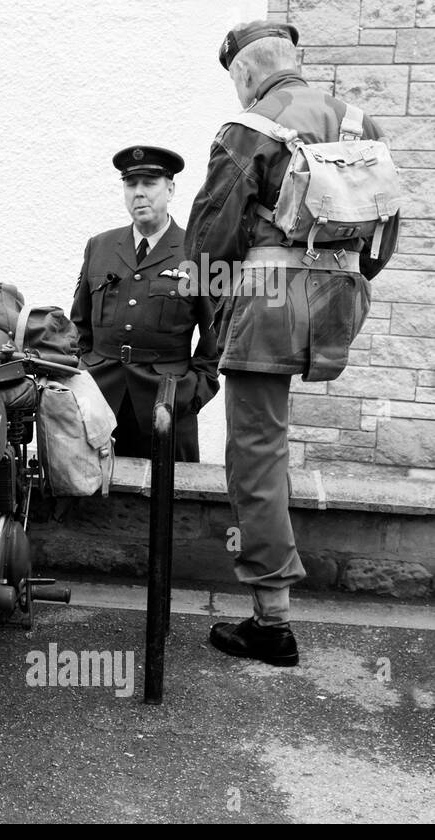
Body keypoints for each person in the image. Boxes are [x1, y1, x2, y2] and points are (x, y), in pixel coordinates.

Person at [186, 20, 400, 666]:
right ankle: (274, 591)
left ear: (245, 73)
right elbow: (386, 232)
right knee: (273, 449)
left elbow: (207, 242)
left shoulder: (246, 131)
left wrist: (209, 316)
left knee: (256, 454)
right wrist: (346, 285)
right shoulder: (359, 123)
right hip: (335, 306)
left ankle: (272, 620)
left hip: (267, 309)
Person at [70, 146, 219, 461]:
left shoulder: (198, 253)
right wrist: (82, 383)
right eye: (130, 183)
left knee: (169, 503)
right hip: (100, 406)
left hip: (166, 405)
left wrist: (190, 394)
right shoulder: (100, 246)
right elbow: (79, 328)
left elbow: (214, 343)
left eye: (149, 183)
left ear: (170, 188)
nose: (139, 193)